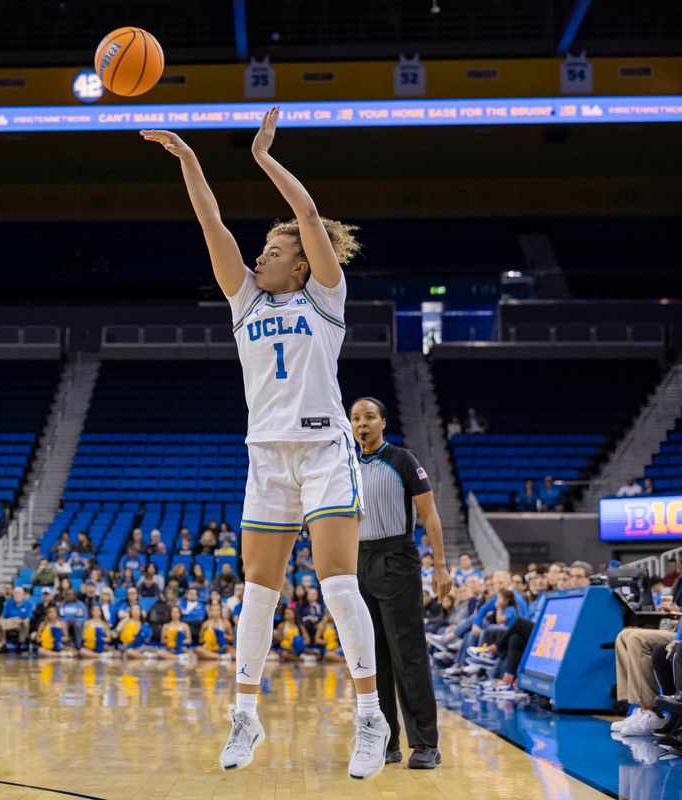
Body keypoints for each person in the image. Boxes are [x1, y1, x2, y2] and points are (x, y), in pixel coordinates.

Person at [142, 108, 386, 778]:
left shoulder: (325, 299)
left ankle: (370, 716)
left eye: (273, 253)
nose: (260, 256)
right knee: (258, 592)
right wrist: (189, 160)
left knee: (338, 586)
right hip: (265, 457)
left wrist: (262, 156)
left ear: (304, 265)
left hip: (323, 455)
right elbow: (210, 226)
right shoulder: (245, 300)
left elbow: (306, 213)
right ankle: (244, 718)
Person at [350, 396, 449, 769]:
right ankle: (386, 741)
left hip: (397, 559)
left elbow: (430, 515)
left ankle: (426, 743)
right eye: (356, 418)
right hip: (359, 561)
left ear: (383, 423)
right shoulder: (345, 464)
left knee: (407, 653)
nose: (362, 424)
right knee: (373, 659)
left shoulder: (403, 460)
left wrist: (440, 566)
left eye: (370, 417)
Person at [0, 586, 34, 652]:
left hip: (21, 623)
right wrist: (0, 621)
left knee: (25, 624)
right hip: (10, 623)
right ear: (13, 594)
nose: (17, 595)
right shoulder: (8, 603)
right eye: (16, 593)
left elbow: (28, 618)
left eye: (19, 593)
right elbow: (3, 616)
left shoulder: (28, 604)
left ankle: (20, 644)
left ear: (23, 595)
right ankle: (3, 644)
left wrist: (21, 621)